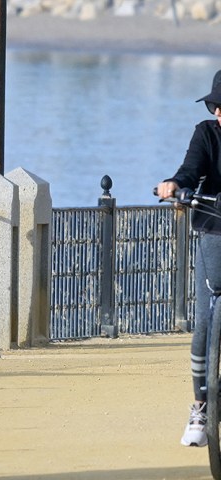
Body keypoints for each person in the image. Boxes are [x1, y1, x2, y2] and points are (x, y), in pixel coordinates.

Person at [157, 69, 221, 448]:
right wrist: (175, 186)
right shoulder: (206, 133)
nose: (218, 114)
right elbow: (189, 170)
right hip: (215, 230)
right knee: (205, 321)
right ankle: (199, 406)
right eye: (217, 106)